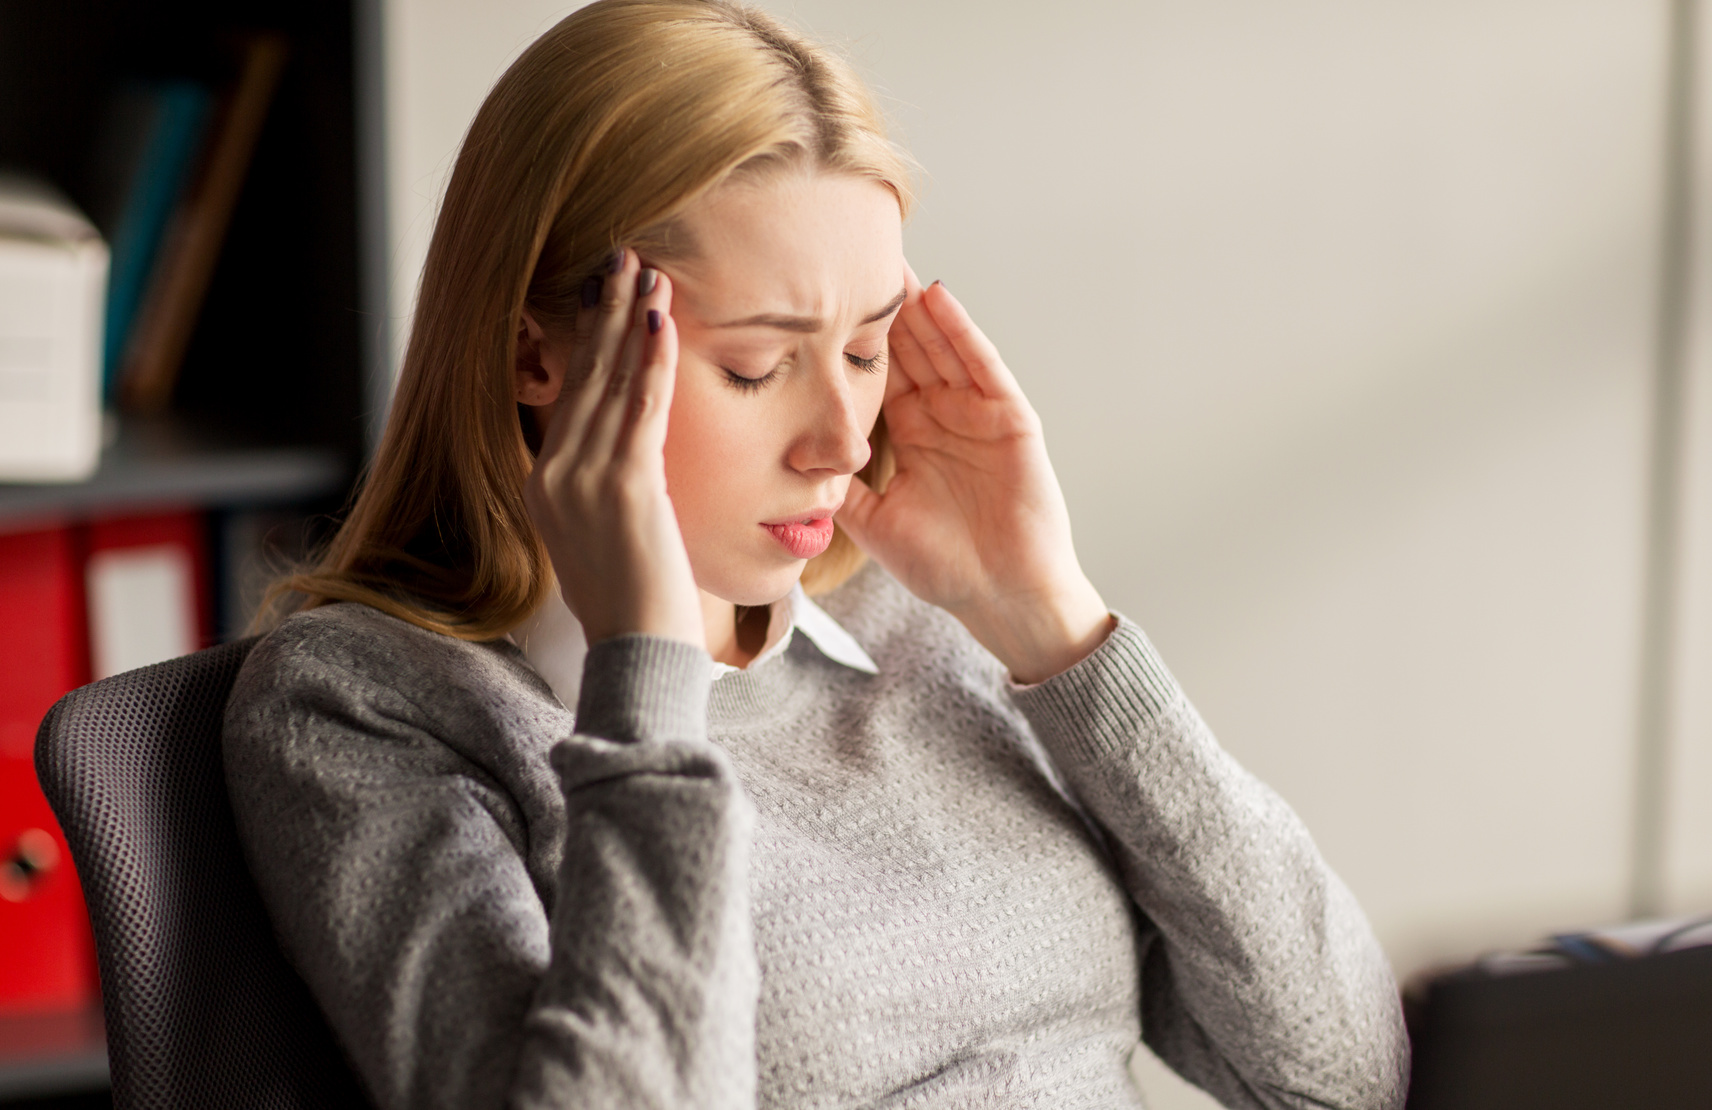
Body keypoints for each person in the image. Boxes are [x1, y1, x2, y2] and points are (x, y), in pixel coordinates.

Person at [223, 1, 1409, 1107]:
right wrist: (644, 672)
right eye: (755, 366)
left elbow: (1342, 1075)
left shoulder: (915, 628)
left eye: (866, 351)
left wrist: (1054, 623)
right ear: (539, 359)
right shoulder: (365, 706)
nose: (842, 443)